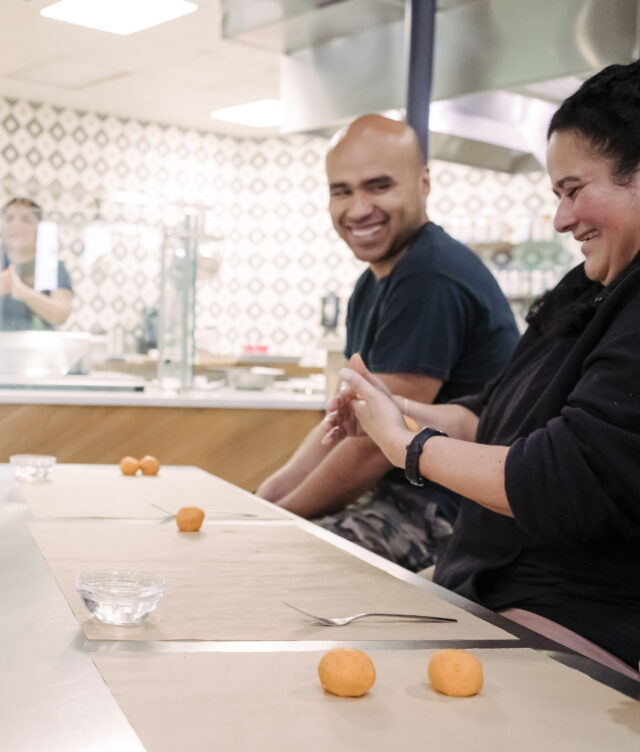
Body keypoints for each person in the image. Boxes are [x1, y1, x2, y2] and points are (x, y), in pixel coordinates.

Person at [327, 59, 640, 677]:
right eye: (557, 196)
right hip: (487, 583)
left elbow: (559, 479)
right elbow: (489, 416)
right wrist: (395, 411)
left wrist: (407, 443)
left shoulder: (434, 275)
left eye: (575, 191)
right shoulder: (585, 289)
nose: (561, 219)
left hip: (581, 615)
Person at [256, 115, 519, 572]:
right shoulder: (372, 282)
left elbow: (378, 443)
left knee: (283, 561)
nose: (357, 209)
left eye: (378, 187)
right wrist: (268, 499)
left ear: (423, 183)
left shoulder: (429, 275)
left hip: (451, 507)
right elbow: (345, 425)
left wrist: (280, 518)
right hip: (399, 493)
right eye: (342, 190)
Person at [0, 197, 73, 330]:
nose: (16, 226)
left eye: (26, 220)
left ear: (39, 228)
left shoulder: (53, 267)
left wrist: (23, 293)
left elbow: (61, 315)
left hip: (40, 349)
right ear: (1, 226)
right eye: (9, 219)